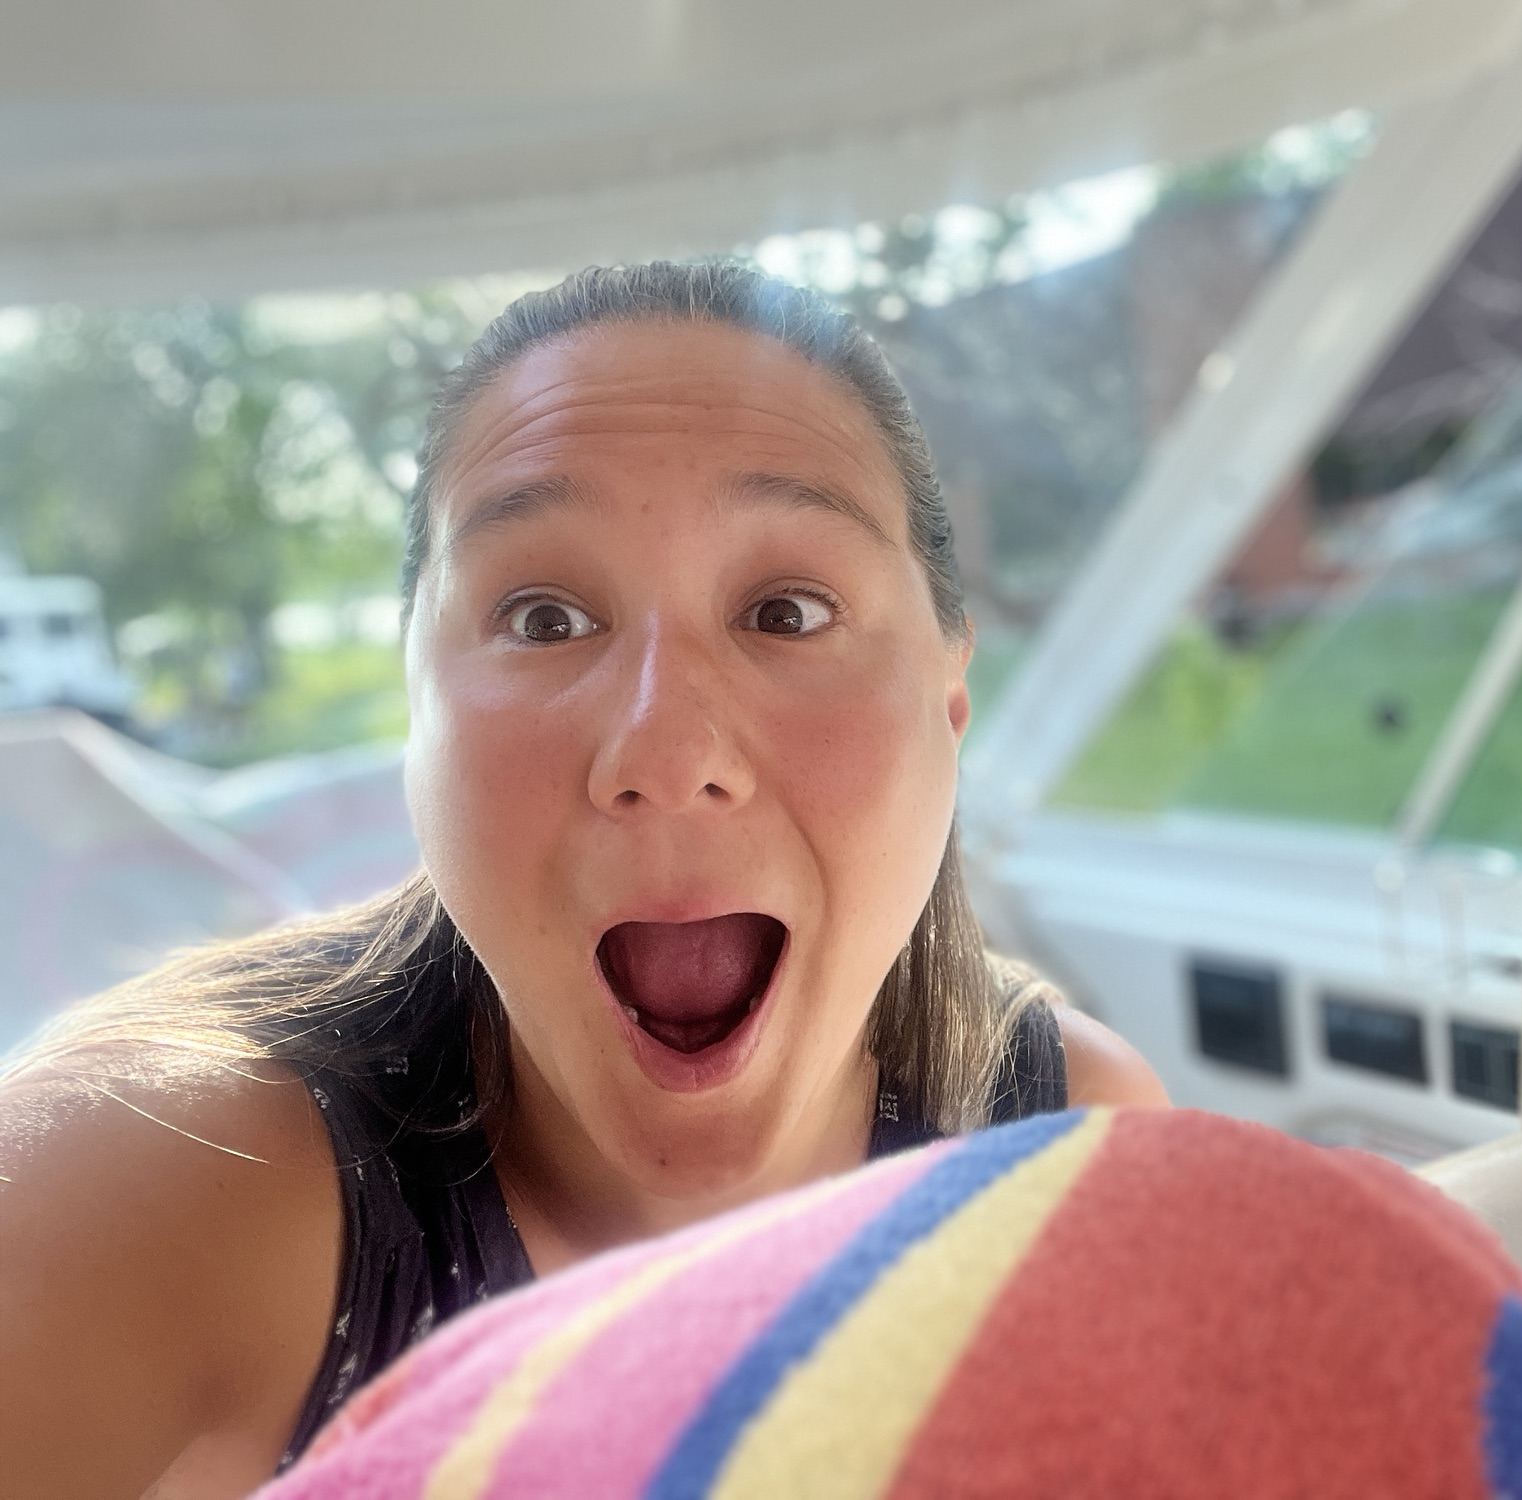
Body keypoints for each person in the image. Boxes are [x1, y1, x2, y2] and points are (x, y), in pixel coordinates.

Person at [0, 261, 1167, 1500]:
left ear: (948, 696)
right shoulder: (146, 1182)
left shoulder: (1074, 1146)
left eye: (786, 611)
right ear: (417, 715)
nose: (666, 755)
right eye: (543, 619)